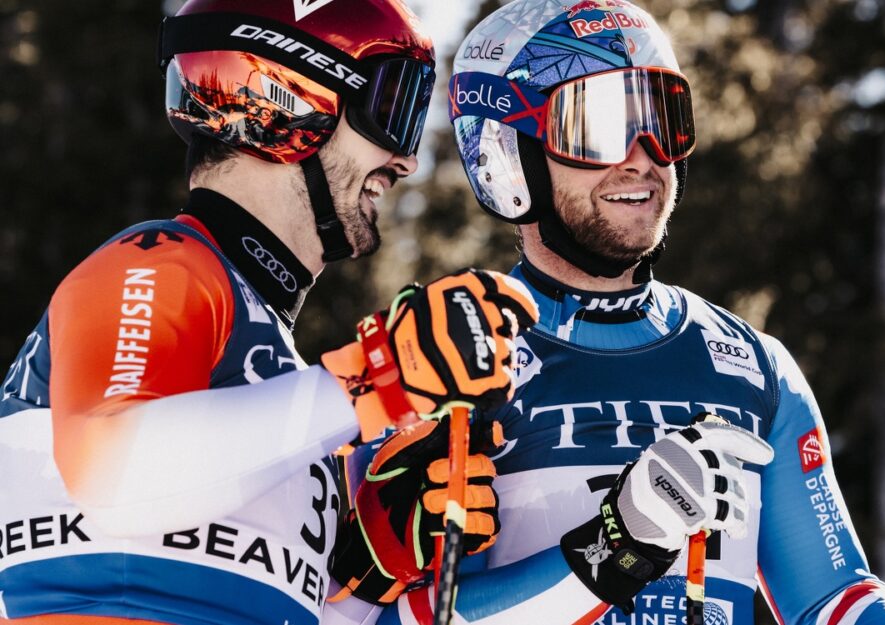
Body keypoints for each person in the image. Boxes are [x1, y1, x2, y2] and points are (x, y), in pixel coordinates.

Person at [325, 1, 885, 624]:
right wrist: (613, 549)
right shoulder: (441, 356)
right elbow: (370, 615)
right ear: (510, 154)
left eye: (662, 120)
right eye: (596, 126)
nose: (643, 157)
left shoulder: (755, 367)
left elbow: (832, 595)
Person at [0, 2, 537, 625]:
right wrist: (380, 377)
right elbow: (112, 476)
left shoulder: (280, 384)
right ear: (285, 98)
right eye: (392, 107)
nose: (406, 160)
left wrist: (368, 575)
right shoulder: (159, 263)